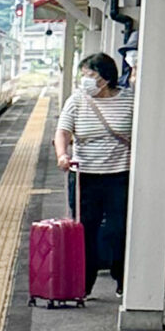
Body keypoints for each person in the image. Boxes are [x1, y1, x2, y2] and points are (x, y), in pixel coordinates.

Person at [55, 51, 134, 296]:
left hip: (120, 174)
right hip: (84, 176)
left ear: (105, 77)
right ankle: (83, 284)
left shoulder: (130, 100)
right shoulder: (77, 99)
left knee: (118, 228)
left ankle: (122, 278)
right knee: (85, 230)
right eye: (84, 75)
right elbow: (63, 132)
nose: (85, 80)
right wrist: (62, 154)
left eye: (90, 75)